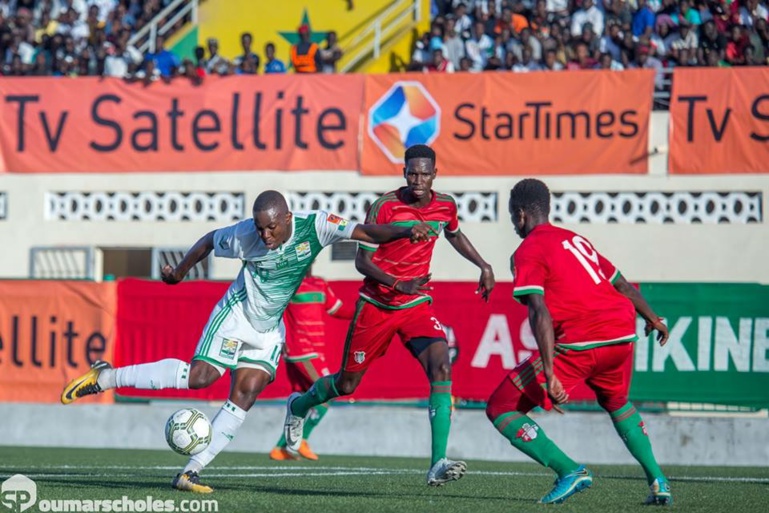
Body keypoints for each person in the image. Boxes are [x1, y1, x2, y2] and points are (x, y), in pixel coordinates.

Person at [61, 191, 432, 493]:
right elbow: (208, 240)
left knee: (246, 392)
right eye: (260, 228)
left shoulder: (316, 226)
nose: (265, 236)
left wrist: (403, 232)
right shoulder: (244, 235)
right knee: (202, 377)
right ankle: (107, 377)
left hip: (268, 328)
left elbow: (366, 233)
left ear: (287, 218)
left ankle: (191, 472)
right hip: (237, 314)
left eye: (271, 228)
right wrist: (180, 273)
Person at [283, 144, 495, 486]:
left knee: (441, 365)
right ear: (404, 172)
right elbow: (361, 262)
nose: (418, 180)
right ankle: (298, 405)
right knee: (346, 383)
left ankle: (437, 461)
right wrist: (399, 283)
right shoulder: (384, 207)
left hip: (415, 305)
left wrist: (483, 265)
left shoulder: (445, 205)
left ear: (435, 174)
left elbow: (454, 233)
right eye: (412, 172)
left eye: (425, 173)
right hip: (377, 305)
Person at [485, 179, 672, 506]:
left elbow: (539, 312)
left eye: (513, 216)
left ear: (520, 214)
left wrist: (550, 370)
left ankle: (569, 471)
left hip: (582, 343)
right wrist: (653, 319)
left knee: (501, 407)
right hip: (621, 336)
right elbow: (623, 285)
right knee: (616, 401)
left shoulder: (527, 250)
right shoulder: (576, 240)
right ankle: (658, 480)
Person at [269, 265, 354, 461]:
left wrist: (362, 307)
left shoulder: (320, 284)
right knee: (328, 393)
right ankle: (302, 440)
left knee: (302, 401)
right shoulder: (289, 283)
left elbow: (339, 310)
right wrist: (279, 339)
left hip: (314, 351)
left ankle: (281, 447)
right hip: (301, 351)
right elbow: (274, 312)